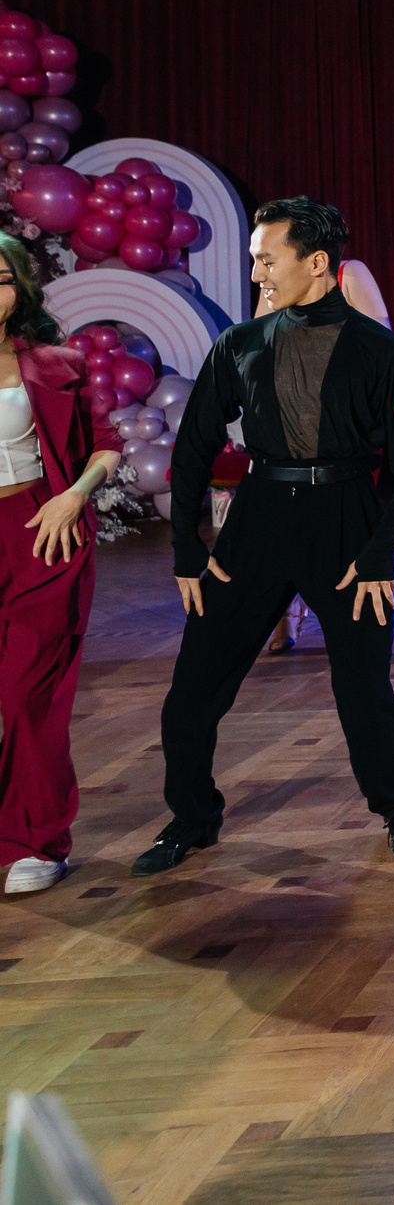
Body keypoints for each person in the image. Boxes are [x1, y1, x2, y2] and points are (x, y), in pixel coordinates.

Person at [136, 198, 394, 875]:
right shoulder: (240, 343)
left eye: (266, 260)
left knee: (364, 691)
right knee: (192, 691)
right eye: (255, 260)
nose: (256, 274)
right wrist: (187, 546)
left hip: (346, 523)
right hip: (257, 521)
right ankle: (191, 818)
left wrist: (378, 552)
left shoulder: (382, 351)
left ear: (317, 262)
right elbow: (193, 447)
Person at [0, 234, 122, 894]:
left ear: (19, 288)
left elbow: (105, 444)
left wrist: (74, 495)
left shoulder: (56, 363)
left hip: (40, 534)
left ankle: (38, 841)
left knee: (28, 696)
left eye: (0, 279)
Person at [263, 255, 393, 655]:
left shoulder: (348, 272)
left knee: (341, 528)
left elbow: (382, 346)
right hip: (290, 419)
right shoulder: (272, 275)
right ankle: (289, 610)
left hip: (342, 426)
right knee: (286, 522)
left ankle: (355, 620)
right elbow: (259, 343)